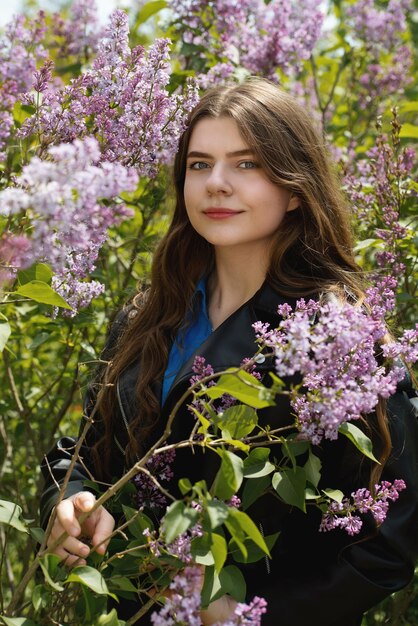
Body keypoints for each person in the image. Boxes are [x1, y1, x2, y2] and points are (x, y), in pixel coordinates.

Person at [40, 78, 418, 626]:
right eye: (198, 164)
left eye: (246, 164)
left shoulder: (344, 341)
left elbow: (388, 546)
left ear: (294, 188)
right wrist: (68, 501)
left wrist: (244, 616)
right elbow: (85, 448)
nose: (216, 183)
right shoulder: (149, 314)